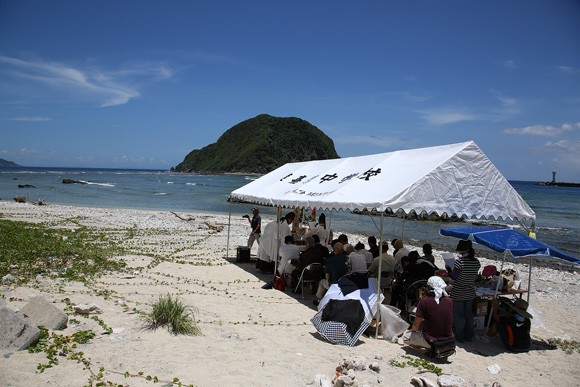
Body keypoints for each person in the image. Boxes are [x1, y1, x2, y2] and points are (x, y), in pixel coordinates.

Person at [403, 276, 454, 350]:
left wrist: (411, 331)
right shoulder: (449, 301)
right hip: (448, 338)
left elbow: (416, 325)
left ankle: (430, 347)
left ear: (430, 287)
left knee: (405, 337)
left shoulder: (424, 302)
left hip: (432, 339)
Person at [447, 239, 481, 343]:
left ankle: (460, 336)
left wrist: (448, 269)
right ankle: (469, 335)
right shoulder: (476, 262)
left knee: (458, 315)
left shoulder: (460, 262)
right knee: (468, 315)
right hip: (470, 291)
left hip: (458, 291)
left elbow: (454, 276)